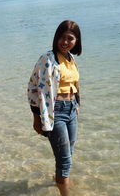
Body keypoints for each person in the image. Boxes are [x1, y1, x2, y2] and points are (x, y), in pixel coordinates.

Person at [27, 20, 82, 196]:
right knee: (65, 160)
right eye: (62, 37)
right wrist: (37, 118)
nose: (65, 42)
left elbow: (75, 83)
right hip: (55, 112)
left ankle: (59, 180)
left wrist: (77, 105)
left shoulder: (70, 58)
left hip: (71, 109)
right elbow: (33, 88)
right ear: (56, 37)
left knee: (68, 155)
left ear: (76, 41)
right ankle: (64, 189)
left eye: (70, 38)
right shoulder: (48, 59)